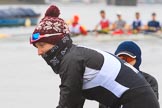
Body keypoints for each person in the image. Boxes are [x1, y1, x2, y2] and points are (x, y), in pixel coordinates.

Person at [30, 5, 159, 108]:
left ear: (57, 43)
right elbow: (75, 100)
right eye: (37, 47)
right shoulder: (77, 54)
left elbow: (68, 104)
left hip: (137, 102)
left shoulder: (71, 60)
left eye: (42, 45)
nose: (39, 52)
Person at [99, 41, 159, 108]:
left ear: (138, 60)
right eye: (121, 59)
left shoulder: (150, 81)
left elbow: (151, 104)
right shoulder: (108, 81)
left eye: (128, 59)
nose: (125, 62)